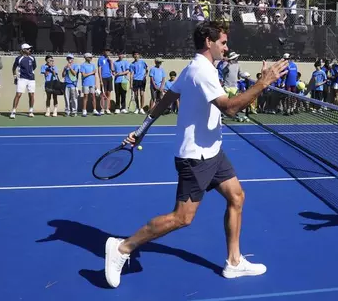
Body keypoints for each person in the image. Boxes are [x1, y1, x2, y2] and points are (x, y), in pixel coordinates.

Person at [104, 21, 289, 288]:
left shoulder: (196, 67)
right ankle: (122, 247)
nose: (226, 47)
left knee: (236, 196)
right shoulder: (201, 71)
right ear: (208, 42)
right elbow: (230, 108)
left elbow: (166, 100)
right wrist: (263, 83)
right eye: (223, 42)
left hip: (213, 152)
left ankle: (234, 262)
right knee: (183, 217)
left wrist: (141, 130)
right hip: (196, 157)